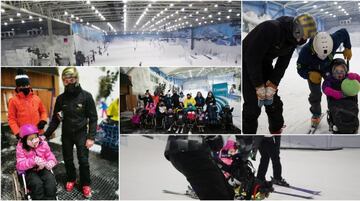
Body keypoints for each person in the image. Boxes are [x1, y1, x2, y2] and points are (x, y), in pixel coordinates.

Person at [242, 14, 317, 134]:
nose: (302, 40)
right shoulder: (270, 29)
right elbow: (252, 59)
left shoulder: (293, 40)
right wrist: (259, 86)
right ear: (297, 30)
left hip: (264, 63)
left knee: (273, 102)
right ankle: (248, 137)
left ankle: (276, 131)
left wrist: (273, 84)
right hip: (246, 62)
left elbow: (282, 65)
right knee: (252, 107)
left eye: (306, 38)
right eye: (302, 36)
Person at [43, 67, 97, 198]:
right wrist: (46, 134)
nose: (69, 83)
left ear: (77, 79)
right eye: (66, 81)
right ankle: (71, 179)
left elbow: (93, 118)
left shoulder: (86, 96)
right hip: (66, 134)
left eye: (71, 79)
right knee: (67, 159)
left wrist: (91, 137)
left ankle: (85, 183)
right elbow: (56, 119)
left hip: (81, 134)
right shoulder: (61, 99)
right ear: (63, 81)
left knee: (83, 160)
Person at [297, 29, 352, 127]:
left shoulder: (334, 40)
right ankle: (316, 114)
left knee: (334, 88)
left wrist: (348, 47)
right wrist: (308, 74)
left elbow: (344, 32)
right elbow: (300, 68)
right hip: (313, 71)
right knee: (315, 93)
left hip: (328, 67)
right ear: (314, 49)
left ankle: (336, 110)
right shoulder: (305, 52)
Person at [16, 124, 57, 200]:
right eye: (31, 139)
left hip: (43, 167)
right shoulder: (21, 148)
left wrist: (51, 161)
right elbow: (20, 164)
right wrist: (32, 161)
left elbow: (49, 154)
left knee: (50, 180)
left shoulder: (43, 144)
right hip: (29, 171)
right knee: (37, 184)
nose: (35, 140)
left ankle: (51, 198)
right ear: (24, 140)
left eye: (36, 137)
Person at [8, 68, 48, 139]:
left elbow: (43, 111)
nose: (25, 87)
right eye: (23, 86)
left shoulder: (36, 98)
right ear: (18, 87)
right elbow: (11, 119)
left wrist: (43, 120)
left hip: (38, 132)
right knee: (27, 150)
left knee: (41, 149)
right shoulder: (13, 101)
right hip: (25, 135)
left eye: (27, 85)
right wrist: (17, 132)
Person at [322, 58, 359, 133]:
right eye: (336, 71)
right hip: (335, 103)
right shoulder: (330, 80)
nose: (339, 74)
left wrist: (354, 76)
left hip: (349, 102)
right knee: (336, 111)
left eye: (342, 71)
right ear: (332, 72)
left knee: (352, 109)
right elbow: (325, 89)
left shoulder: (348, 77)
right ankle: (338, 124)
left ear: (345, 71)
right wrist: (337, 94)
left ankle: (352, 123)